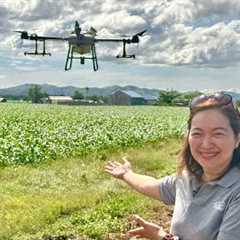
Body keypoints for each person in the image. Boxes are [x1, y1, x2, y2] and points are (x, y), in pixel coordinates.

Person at [105, 92, 240, 240]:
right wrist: (126, 174)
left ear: (237, 139)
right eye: (197, 133)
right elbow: (154, 186)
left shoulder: (236, 192)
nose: (206, 144)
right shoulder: (190, 177)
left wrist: (161, 237)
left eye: (218, 133)